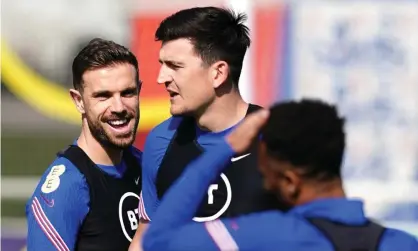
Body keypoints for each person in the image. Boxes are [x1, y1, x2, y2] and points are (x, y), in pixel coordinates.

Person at [142, 99, 418, 251]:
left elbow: (159, 241)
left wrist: (223, 150)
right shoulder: (402, 243)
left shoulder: (267, 236)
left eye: (267, 176)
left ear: (289, 182)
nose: (265, 185)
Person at [129, 6, 280, 250]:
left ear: (218, 73)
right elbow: (145, 240)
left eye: (175, 66)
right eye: (162, 64)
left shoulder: (277, 140)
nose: (161, 77)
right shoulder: (161, 140)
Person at [26, 38, 143, 251]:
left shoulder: (145, 165)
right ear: (79, 101)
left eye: (127, 92)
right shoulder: (66, 188)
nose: (118, 107)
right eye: (103, 96)